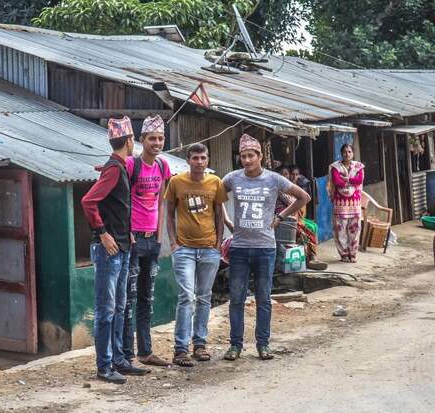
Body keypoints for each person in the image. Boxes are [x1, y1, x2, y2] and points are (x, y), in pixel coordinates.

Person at [222, 134, 310, 361]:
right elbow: (216, 197)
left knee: (263, 298)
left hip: (265, 248)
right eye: (243, 156)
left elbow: (303, 197)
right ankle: (235, 346)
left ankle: (263, 345)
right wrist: (226, 220)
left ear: (260, 156)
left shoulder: (274, 180)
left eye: (251, 155)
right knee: (237, 299)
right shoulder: (232, 178)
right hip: (240, 248)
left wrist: (280, 217)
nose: (247, 160)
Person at [81, 116, 137, 384]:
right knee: (106, 309)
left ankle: (118, 360)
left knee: (119, 306)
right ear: (129, 141)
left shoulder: (119, 166)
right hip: (109, 250)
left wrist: (128, 235)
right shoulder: (114, 168)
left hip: (123, 246)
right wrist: (102, 234)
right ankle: (104, 366)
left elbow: (118, 207)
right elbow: (88, 202)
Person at [165, 143, 227, 367]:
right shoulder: (176, 182)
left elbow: (219, 214)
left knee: (204, 297)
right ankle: (180, 349)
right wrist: (173, 243)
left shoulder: (215, 183)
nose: (199, 162)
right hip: (184, 250)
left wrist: (218, 243)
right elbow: (169, 214)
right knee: (186, 297)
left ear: (208, 160)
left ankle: (199, 345)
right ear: (188, 160)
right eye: (195, 158)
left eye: (203, 158)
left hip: (209, 249)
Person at [122, 115, 171, 368]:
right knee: (128, 299)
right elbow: (122, 200)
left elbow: (162, 201)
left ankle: (146, 351)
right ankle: (127, 355)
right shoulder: (132, 165)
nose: (157, 143)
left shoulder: (163, 167)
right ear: (142, 140)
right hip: (134, 238)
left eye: (160, 138)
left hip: (153, 240)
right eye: (152, 138)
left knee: (146, 299)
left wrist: (160, 233)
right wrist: (128, 231)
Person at [328, 143, 365, 263]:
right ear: (341, 153)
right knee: (340, 230)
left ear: (353, 153)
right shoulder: (335, 167)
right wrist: (350, 182)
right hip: (341, 205)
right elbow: (337, 182)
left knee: (354, 230)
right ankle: (344, 254)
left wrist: (347, 179)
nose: (347, 154)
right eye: (345, 152)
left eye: (349, 152)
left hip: (354, 205)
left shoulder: (359, 167)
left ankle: (352, 254)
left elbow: (359, 180)